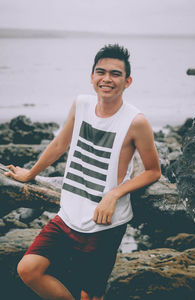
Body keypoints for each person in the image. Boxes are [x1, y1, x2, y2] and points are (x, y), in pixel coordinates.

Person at [5, 44, 161, 300]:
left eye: (115, 73)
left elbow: (153, 171)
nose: (107, 79)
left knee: (90, 296)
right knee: (29, 269)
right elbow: (58, 145)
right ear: (92, 77)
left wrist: (113, 195)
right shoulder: (81, 105)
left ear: (127, 81)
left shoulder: (136, 121)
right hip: (68, 214)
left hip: (103, 225)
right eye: (101, 72)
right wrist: (29, 174)